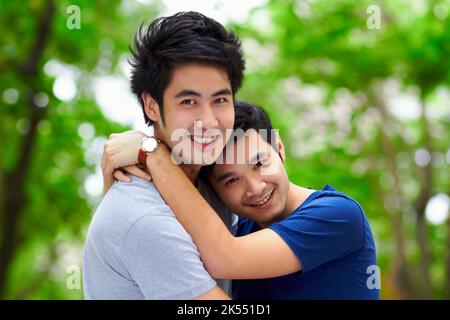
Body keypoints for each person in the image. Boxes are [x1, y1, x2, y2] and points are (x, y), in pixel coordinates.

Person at [104, 101, 380, 299]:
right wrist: (115, 184)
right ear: (214, 188)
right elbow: (154, 251)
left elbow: (226, 258)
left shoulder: (338, 215)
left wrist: (153, 154)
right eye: (231, 180)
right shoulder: (238, 230)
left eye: (259, 163)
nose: (255, 188)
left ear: (279, 148)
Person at [83, 11, 245, 299]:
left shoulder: (213, 184)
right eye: (189, 101)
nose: (208, 121)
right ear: (152, 106)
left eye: (220, 99)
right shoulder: (143, 217)